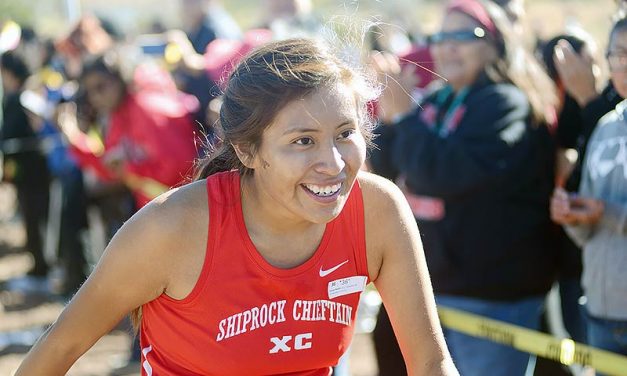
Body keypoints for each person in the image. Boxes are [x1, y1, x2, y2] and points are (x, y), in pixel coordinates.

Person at [15, 38, 459, 376]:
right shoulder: (172, 228)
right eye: (302, 141)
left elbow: (431, 363)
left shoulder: (378, 211)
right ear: (247, 151)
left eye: (345, 133)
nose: (334, 163)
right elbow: (58, 350)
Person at [369, 0, 558, 375]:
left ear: (495, 44)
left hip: (491, 296)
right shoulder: (439, 99)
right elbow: (393, 173)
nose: (447, 46)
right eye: (440, 36)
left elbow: (439, 175)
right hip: (440, 287)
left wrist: (405, 117)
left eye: (463, 35)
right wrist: (393, 118)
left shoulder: (505, 103)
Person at [551, 15, 627, 367]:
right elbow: (589, 233)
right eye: (617, 54)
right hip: (600, 310)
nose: (623, 64)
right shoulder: (605, 127)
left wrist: (607, 213)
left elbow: (607, 213)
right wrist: (573, 217)